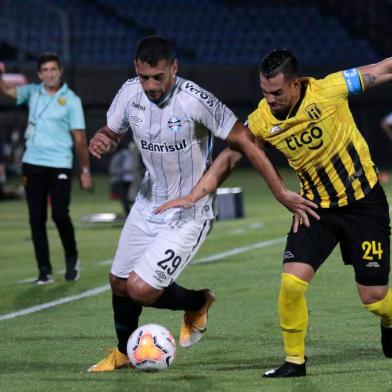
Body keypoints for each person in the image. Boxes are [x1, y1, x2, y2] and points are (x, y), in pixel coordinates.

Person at [155, 49, 392, 377]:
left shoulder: (331, 89)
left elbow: (383, 69)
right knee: (292, 283)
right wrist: (193, 196)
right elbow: (230, 158)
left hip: (363, 206)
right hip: (313, 209)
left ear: (295, 84)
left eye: (277, 92)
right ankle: (295, 362)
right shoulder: (263, 119)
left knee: (375, 299)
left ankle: (389, 320)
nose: (270, 99)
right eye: (264, 92)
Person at [87, 36, 317, 372]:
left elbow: (247, 142)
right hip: (148, 202)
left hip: (190, 213)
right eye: (144, 77)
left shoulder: (195, 101)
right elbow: (112, 131)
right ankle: (124, 352)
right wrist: (103, 139)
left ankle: (197, 302)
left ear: (174, 68)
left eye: (158, 77)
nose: (150, 86)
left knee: (140, 289)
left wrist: (280, 191)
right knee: (119, 283)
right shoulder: (129, 93)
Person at [0, 53, 92, 284]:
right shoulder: (32, 92)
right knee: (36, 218)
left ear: (60, 71)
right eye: (45, 70)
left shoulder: (71, 100)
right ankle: (44, 269)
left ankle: (72, 260)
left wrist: (84, 170)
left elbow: (80, 139)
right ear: (40, 74)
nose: (50, 73)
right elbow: (7, 91)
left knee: (60, 214)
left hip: (59, 163)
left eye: (53, 69)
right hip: (32, 164)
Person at [108, 140, 142, 216]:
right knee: (125, 198)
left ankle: (134, 214)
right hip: (121, 181)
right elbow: (113, 170)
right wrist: (126, 172)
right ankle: (128, 214)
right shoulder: (120, 156)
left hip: (133, 181)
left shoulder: (138, 156)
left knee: (135, 197)